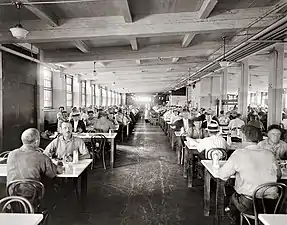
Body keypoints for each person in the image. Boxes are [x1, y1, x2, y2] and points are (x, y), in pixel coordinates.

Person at [218, 125, 281, 225]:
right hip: (272, 203)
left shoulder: (239, 153)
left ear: (243, 137)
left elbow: (222, 175)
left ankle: (235, 219)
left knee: (232, 197)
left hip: (250, 202)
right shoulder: (269, 154)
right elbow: (279, 175)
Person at [7, 128, 64, 209]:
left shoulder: (11, 154)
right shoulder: (40, 156)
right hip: (32, 196)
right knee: (53, 187)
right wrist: (59, 166)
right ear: (37, 141)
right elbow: (52, 174)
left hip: (12, 197)